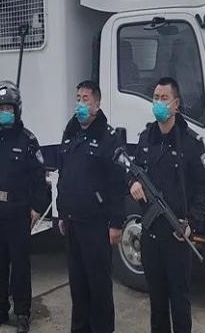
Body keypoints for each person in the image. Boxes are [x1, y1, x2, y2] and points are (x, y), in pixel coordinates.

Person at [128, 77, 205, 333]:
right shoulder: (146, 138)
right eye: (155, 97)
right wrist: (132, 182)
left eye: (164, 98)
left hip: (178, 236)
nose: (158, 103)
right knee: (157, 302)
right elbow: (133, 170)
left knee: (180, 302)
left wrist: (192, 222)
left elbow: (203, 189)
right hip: (150, 236)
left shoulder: (191, 142)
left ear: (176, 104)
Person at [0, 80, 50, 333]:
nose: (4, 112)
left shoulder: (27, 140)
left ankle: (22, 313)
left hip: (19, 212)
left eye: (8, 108)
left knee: (20, 266)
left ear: (17, 110)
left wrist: (37, 208)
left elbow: (39, 177)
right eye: (0, 109)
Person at [57, 80, 126, 333]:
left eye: (85, 99)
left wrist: (116, 223)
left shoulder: (108, 137)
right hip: (73, 222)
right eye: (78, 98)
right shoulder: (71, 132)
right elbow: (63, 175)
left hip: (96, 225)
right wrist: (61, 213)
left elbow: (118, 183)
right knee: (78, 285)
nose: (81, 104)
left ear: (97, 104)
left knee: (99, 286)